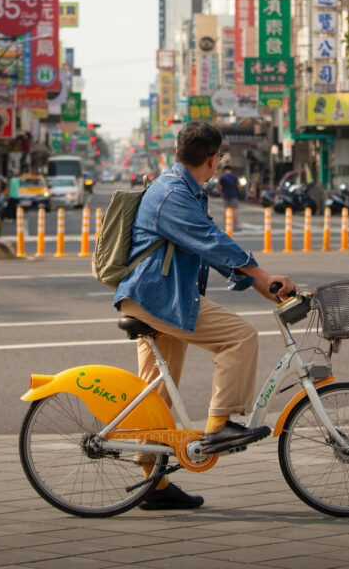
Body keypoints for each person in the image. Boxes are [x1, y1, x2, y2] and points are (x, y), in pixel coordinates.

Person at [114, 121, 297, 511]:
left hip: (152, 297)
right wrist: (261, 275)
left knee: (157, 392)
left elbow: (207, 243)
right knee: (240, 337)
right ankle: (220, 425)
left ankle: (155, 484)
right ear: (213, 160)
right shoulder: (173, 194)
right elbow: (212, 242)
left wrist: (260, 283)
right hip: (160, 300)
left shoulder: (182, 188)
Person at [219, 163, 241, 230]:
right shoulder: (235, 177)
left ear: (224, 170)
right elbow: (239, 186)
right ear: (230, 170)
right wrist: (238, 191)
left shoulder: (222, 177)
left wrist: (222, 192)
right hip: (234, 195)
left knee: (226, 211)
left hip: (226, 195)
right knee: (234, 211)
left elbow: (220, 187)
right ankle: (235, 227)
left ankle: (226, 226)